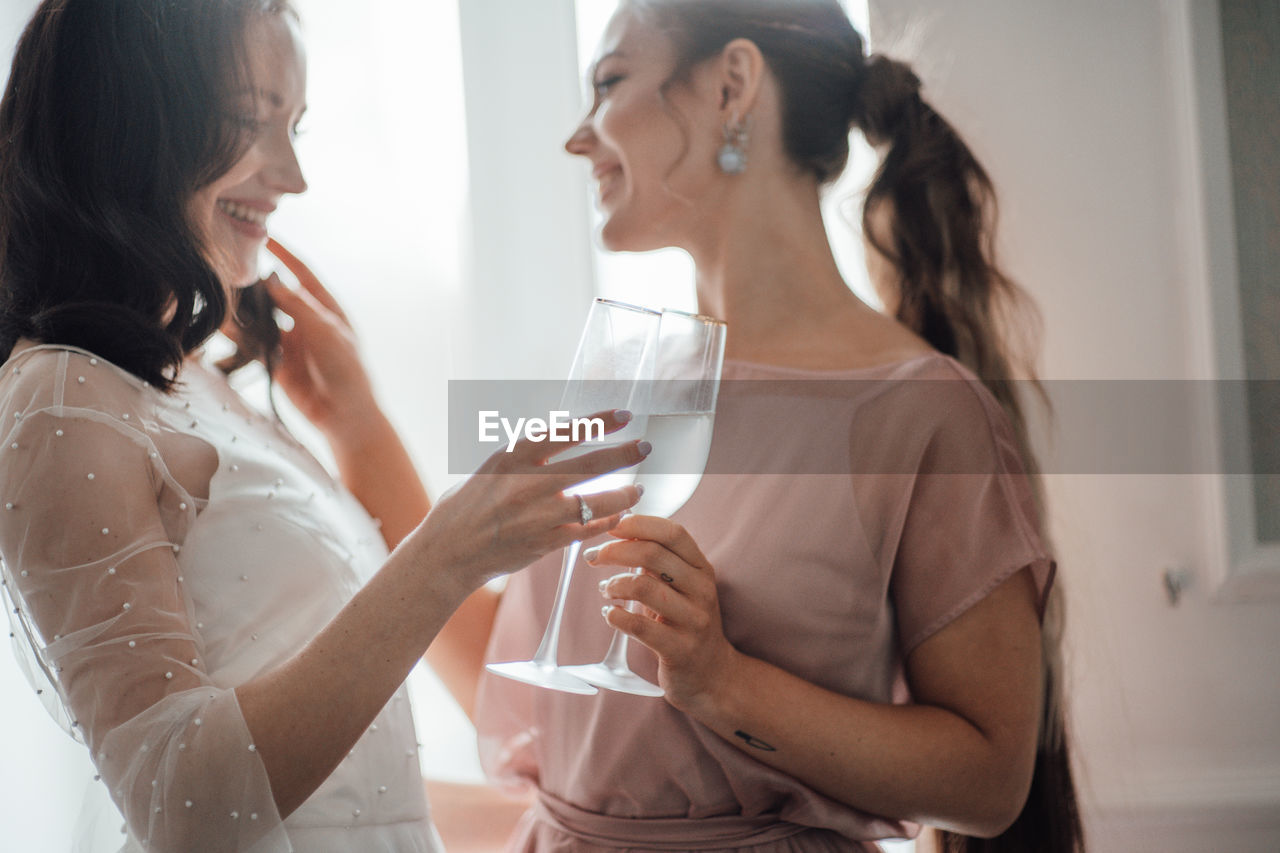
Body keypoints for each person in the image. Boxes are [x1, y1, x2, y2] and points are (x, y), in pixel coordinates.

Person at [0, 1, 646, 851]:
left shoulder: (195, 382)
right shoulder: (60, 399)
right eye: (247, 119)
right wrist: (448, 553)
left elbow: (349, 793)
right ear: (124, 120)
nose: (293, 175)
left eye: (294, 123)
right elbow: (179, 803)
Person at [457, 1, 1086, 851]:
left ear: (732, 85)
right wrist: (355, 437)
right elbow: (561, 703)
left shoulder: (923, 410)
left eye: (609, 83)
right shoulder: (617, 381)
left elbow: (988, 780)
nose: (579, 138)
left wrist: (722, 682)